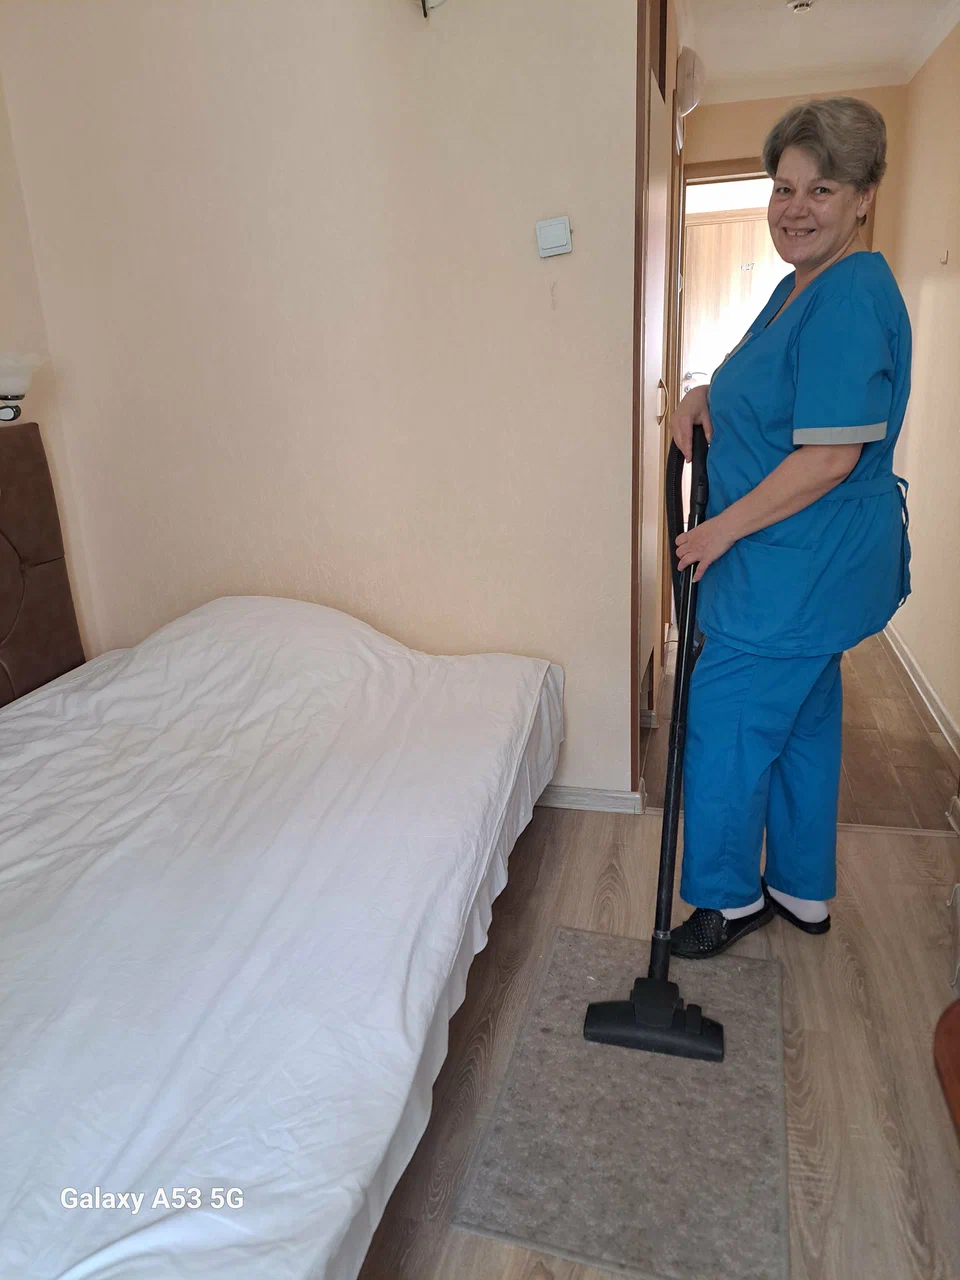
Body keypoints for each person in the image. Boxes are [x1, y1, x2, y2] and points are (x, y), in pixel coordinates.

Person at [668, 97, 911, 959]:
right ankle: (799, 889)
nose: (794, 208)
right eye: (784, 188)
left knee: (728, 727)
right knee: (804, 721)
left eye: (822, 189)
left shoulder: (847, 296)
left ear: (863, 197)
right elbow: (764, 389)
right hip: (810, 571)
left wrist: (718, 532)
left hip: (788, 573)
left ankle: (726, 899)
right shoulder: (800, 286)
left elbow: (829, 456)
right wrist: (702, 395)